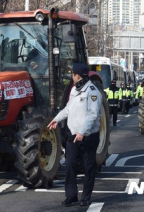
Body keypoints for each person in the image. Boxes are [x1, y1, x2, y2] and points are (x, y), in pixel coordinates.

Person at [47, 63, 102, 207]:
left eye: (73, 74)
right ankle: (71, 196)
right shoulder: (74, 90)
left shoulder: (92, 92)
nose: (72, 76)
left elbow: (93, 115)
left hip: (88, 136)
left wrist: (82, 132)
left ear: (77, 76)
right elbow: (68, 109)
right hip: (73, 135)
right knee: (70, 164)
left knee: (89, 167)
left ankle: (86, 197)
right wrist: (56, 119)